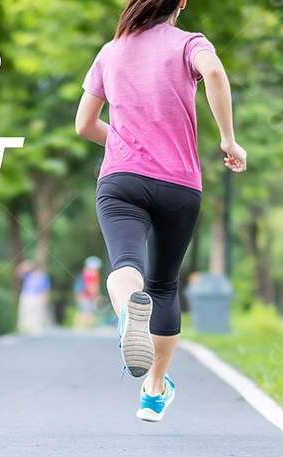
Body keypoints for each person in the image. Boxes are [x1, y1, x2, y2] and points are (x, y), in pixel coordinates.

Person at [75, 0, 247, 422]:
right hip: (179, 184)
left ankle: (126, 313)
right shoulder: (190, 43)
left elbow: (83, 125)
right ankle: (154, 391)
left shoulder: (109, 51)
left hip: (121, 180)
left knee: (126, 261)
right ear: (181, 2)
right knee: (165, 285)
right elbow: (216, 73)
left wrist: (124, 141)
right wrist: (229, 141)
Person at [16, 260, 52, 334]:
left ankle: (37, 326)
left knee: (38, 312)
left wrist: (45, 297)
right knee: (26, 310)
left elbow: (45, 288)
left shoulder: (43, 276)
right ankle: (25, 326)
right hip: (27, 295)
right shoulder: (28, 275)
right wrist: (24, 266)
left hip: (37, 296)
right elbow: (18, 274)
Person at [73, 256, 103, 329]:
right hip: (86, 296)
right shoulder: (92, 274)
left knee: (82, 311)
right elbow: (92, 286)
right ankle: (87, 328)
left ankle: (77, 328)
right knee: (88, 313)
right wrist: (97, 295)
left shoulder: (84, 272)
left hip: (82, 295)